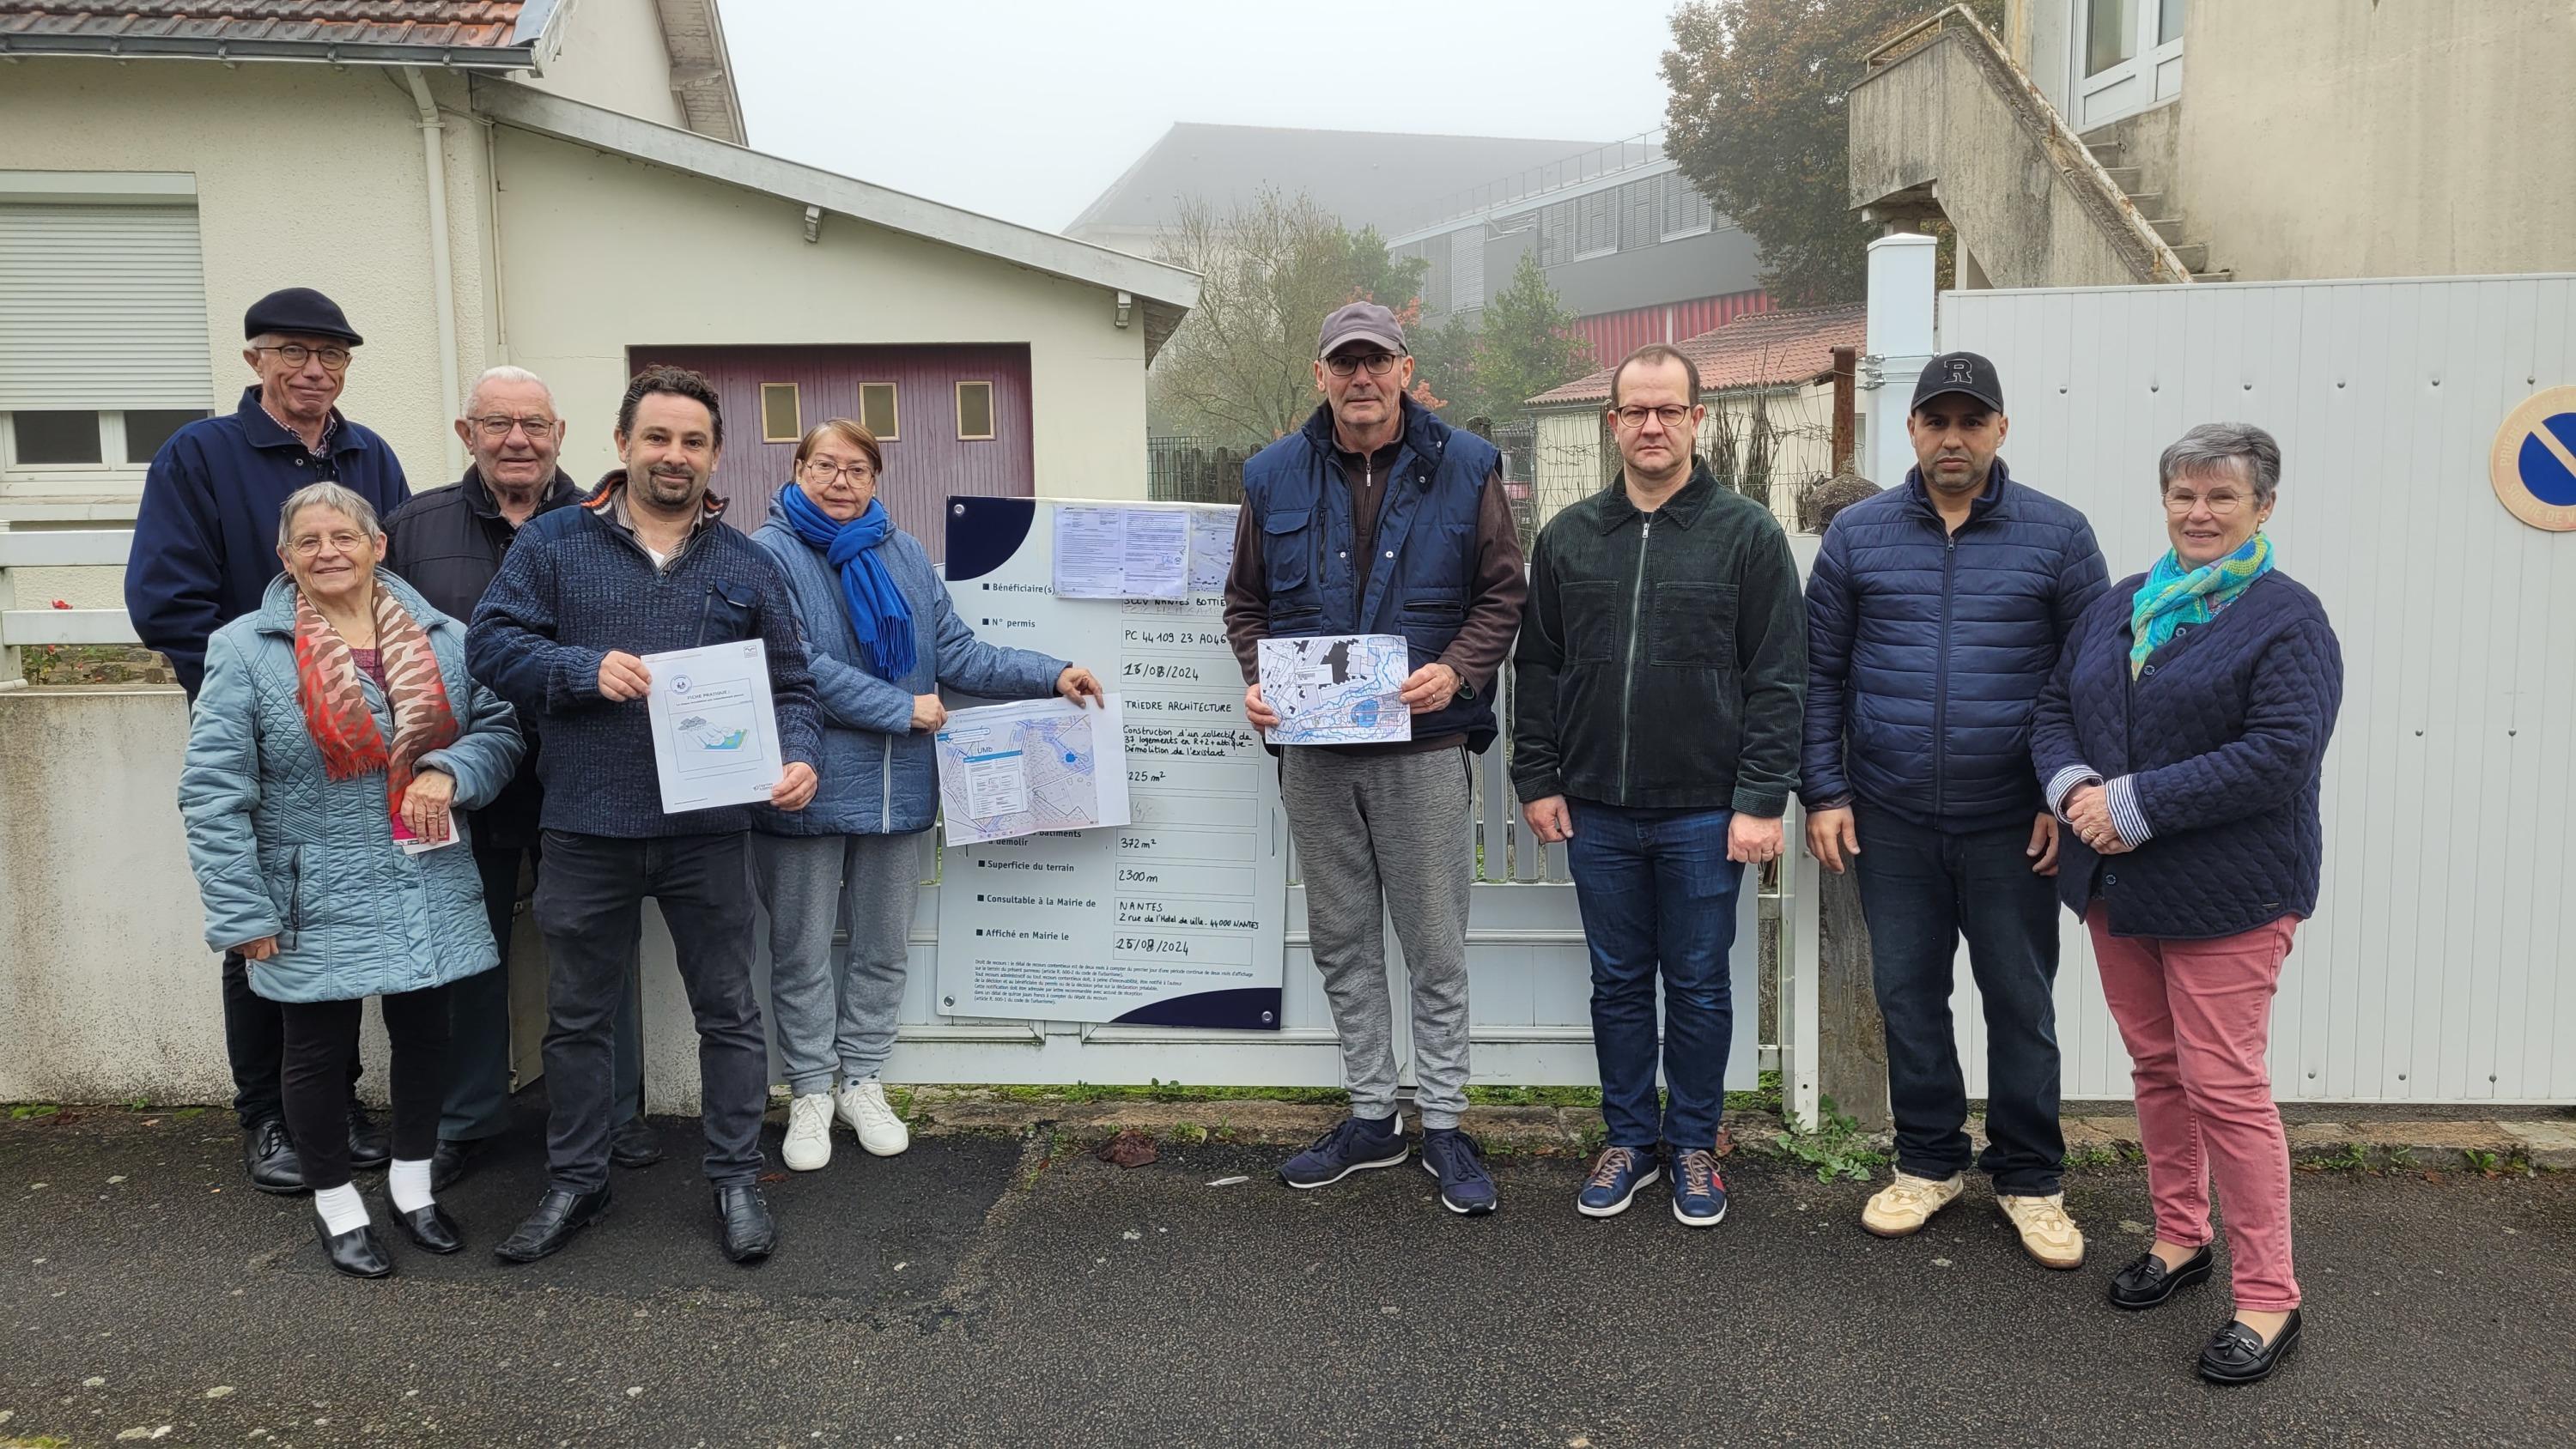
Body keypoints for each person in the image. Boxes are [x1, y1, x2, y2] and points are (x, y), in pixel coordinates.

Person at [467, 366, 822, 1265]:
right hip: (587, 825)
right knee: (579, 1017)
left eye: (694, 440)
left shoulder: (749, 563)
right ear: (622, 445)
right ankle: (576, 1180)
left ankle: (736, 1176)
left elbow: (793, 685)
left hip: (709, 832)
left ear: (715, 454)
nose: (675, 455)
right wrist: (581, 669)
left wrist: (802, 755)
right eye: (658, 437)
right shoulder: (553, 543)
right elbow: (493, 644)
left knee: (730, 1013)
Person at [2032, 422, 2342, 1385]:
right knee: (2158, 1067)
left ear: (2263, 508)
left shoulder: (2288, 617)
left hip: (2230, 892)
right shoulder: (2122, 603)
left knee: (2226, 1086)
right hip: (2116, 887)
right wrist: (2075, 782)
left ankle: (2270, 1295)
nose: (2199, 512)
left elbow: (2282, 750)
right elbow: (2052, 708)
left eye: (2222, 497)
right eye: (2184, 494)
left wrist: (2137, 802)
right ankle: (2180, 1236)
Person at [1801, 351, 2107, 1270]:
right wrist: (1824, 788)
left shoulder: (2059, 535)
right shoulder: (1857, 537)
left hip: (2013, 821)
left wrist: (2067, 788)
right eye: (1937, 420)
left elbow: (2089, 681)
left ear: (2001, 429)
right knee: (1907, 995)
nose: (1953, 437)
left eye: (1972, 421)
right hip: (1891, 819)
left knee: (2020, 999)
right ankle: (1927, 1161)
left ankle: (2030, 1177)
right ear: (1913, 431)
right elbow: (1820, 675)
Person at [1222, 301, 1527, 1216]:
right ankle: (1370, 1116)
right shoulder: (1272, 475)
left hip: (1423, 746)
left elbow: (1501, 596)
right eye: (1343, 362)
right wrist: (1256, 678)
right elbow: (1245, 605)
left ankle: (1442, 1120)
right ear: (1321, 374)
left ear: (1405, 368)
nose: (1361, 377)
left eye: (1377, 360)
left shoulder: (1468, 465)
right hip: (1314, 753)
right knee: (1343, 937)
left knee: (1433, 943)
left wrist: (1457, 670)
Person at [177, 483, 523, 1277]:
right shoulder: (244, 648)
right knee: (314, 1051)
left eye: (344, 536)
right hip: (312, 883)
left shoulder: (446, 638)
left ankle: (411, 1190)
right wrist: (240, 909)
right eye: (310, 541)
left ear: (378, 547)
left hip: (422, 872)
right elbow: (213, 789)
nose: (329, 551)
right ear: (285, 559)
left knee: (426, 1038)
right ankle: (337, 1206)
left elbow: (500, 729)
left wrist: (448, 770)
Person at [750, 420, 1106, 1171]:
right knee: (801, 950)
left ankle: (863, 1079)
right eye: (825, 466)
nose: (841, 482)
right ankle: (810, 1091)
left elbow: (955, 652)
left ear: (877, 479)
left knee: (882, 947)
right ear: (797, 469)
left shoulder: (903, 553)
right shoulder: (768, 553)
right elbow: (791, 662)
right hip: (805, 781)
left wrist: (1052, 672)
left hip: (900, 787)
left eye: (857, 469)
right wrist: (899, 707)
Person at [1512, 344, 1807, 1228]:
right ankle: (1629, 1139)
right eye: (1634, 410)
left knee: (1701, 982)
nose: (1650, 425)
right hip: (1597, 808)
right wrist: (1538, 774)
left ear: (1695, 419)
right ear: (1612, 422)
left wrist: (1761, 798)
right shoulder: (1568, 537)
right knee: (1617, 981)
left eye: (1667, 410)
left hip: (1704, 813)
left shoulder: (1747, 534)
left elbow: (1778, 677)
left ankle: (1693, 1144)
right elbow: (1540, 667)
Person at [126, 287, 411, 1194]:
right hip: (260, 733)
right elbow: (166, 602)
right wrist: (262, 695)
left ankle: (332, 1099)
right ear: (256, 360)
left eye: (330, 355)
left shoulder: (373, 455)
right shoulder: (200, 455)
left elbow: (393, 587)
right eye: (294, 351)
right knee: (265, 923)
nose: (314, 370)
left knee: (348, 910)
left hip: (363, 734)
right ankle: (268, 1116)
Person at [383, 367, 657, 1190]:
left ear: (560, 433)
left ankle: (614, 1114)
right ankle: (468, 1117)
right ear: (467, 434)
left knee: (600, 948)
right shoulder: (415, 527)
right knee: (472, 947)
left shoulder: (609, 520)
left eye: (533, 424)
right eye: (497, 423)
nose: (517, 440)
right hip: (460, 774)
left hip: (592, 769)